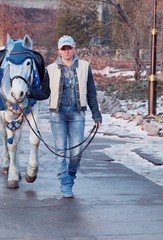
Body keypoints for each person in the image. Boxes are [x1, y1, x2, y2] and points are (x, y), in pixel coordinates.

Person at [29, 35, 102, 198]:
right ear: (59, 50)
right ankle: (65, 184)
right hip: (58, 115)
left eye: (69, 48)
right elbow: (45, 92)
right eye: (63, 48)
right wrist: (30, 93)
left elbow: (91, 92)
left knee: (76, 153)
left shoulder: (84, 67)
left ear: (74, 49)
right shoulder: (51, 69)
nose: (67, 51)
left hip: (77, 114)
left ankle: (70, 175)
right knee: (61, 151)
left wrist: (96, 115)